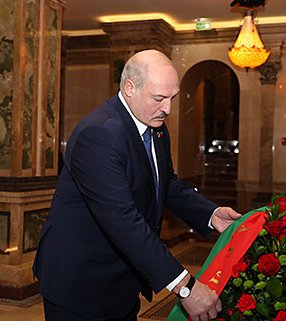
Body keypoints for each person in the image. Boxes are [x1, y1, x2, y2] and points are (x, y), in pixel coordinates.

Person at [33, 49, 242, 321]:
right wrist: (186, 287)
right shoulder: (99, 134)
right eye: (159, 98)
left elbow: (166, 183)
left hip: (122, 281)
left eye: (172, 98)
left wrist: (211, 215)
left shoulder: (155, 126)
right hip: (81, 282)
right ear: (129, 88)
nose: (167, 109)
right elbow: (121, 219)